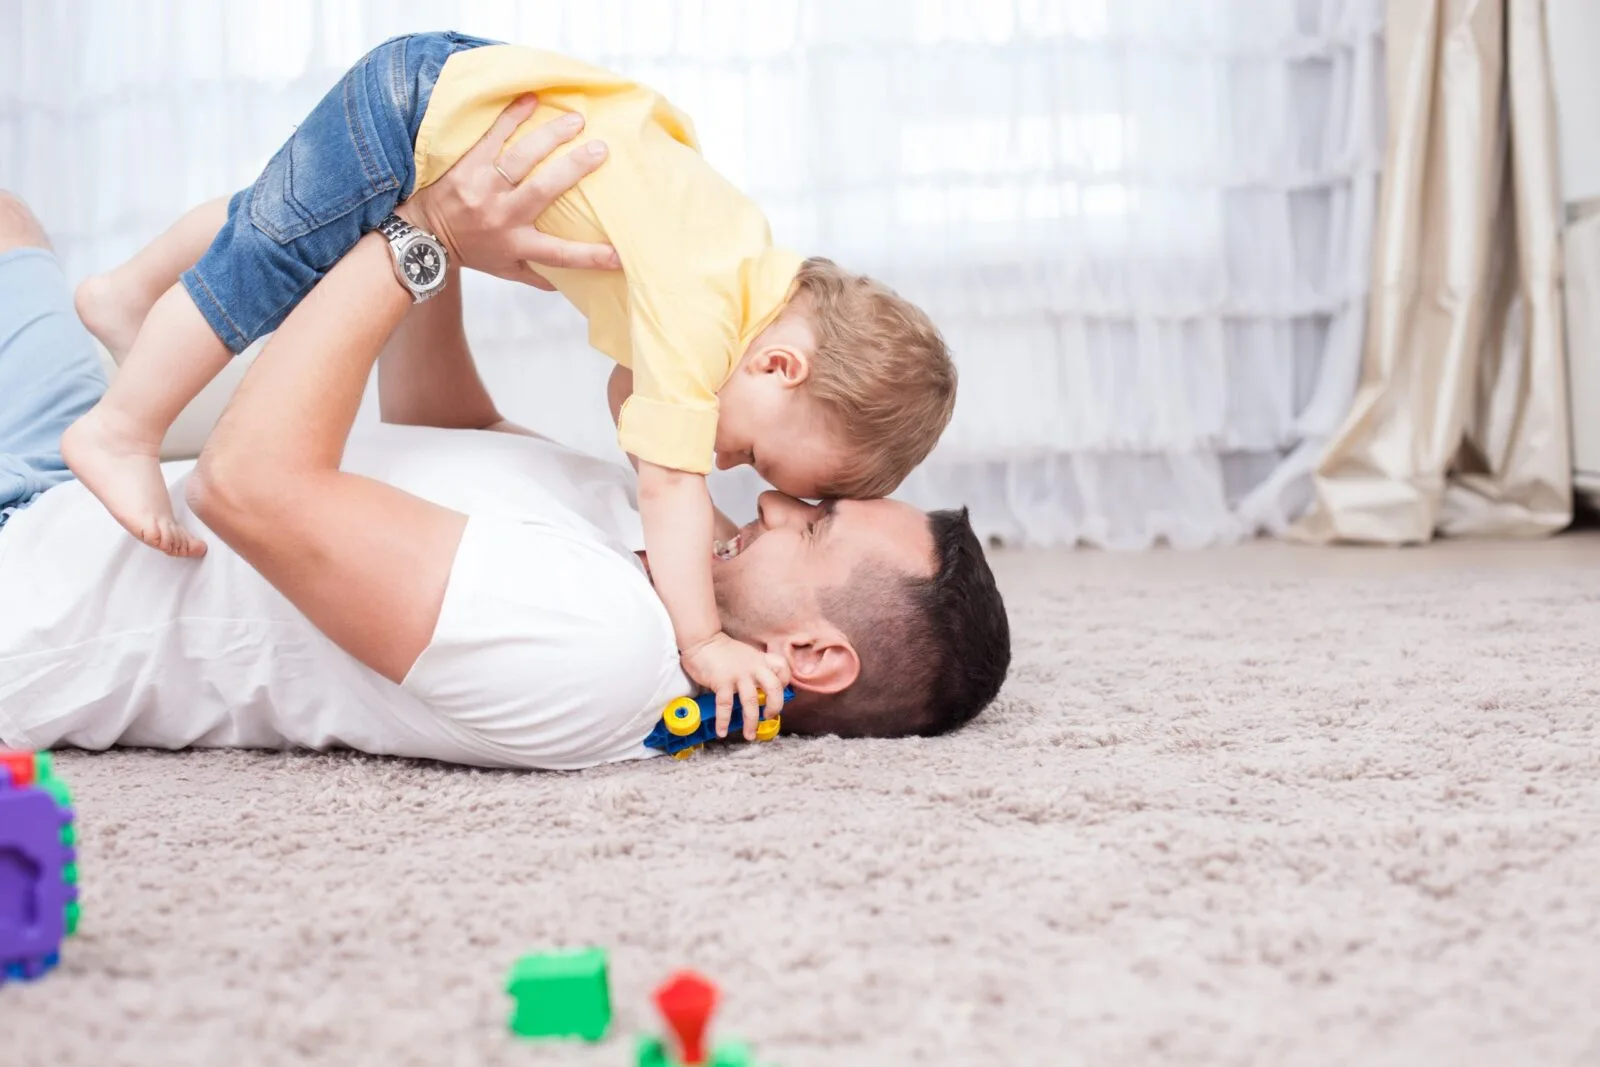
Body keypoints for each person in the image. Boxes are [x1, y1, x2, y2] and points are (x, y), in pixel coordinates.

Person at [0, 104, 1011, 772]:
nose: (779, 502)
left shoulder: (602, 649)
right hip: (78, 479)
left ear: (812, 655)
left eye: (818, 523)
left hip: (28, 592)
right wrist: (458, 233)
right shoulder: (669, 550)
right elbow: (452, 431)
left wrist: (412, 231)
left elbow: (249, 486)